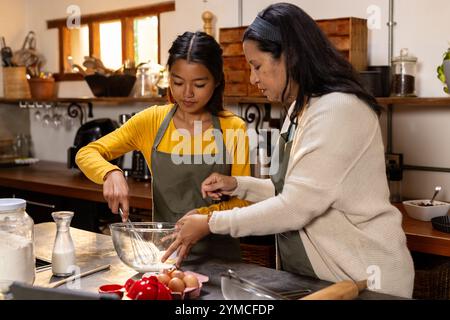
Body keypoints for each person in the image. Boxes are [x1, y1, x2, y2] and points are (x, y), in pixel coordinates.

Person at [162, 3, 415, 298]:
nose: (253, 78)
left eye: (257, 66)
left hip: (368, 282)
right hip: (323, 280)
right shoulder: (300, 108)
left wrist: (211, 223)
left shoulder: (339, 110)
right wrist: (239, 186)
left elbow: (295, 207)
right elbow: (295, 191)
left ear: (290, 56)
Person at [76, 31, 251, 261]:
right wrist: (110, 172)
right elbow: (87, 153)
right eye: (178, 82)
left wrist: (206, 219)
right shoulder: (152, 121)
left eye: (199, 84)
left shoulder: (233, 128)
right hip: (165, 259)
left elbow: (244, 202)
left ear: (217, 81)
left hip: (223, 260)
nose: (187, 93)